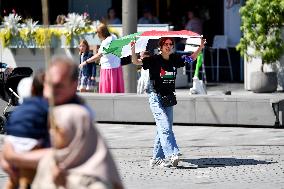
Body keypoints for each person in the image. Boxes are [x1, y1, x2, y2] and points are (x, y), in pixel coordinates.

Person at [0, 55, 91, 188]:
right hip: (40, 163)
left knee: (17, 180)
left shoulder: (21, 113)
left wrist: (11, 155)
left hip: (23, 160)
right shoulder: (55, 111)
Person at [131, 37, 206, 167]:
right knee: (164, 125)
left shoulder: (175, 59)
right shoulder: (154, 59)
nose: (169, 46)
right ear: (161, 46)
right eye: (166, 44)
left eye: (171, 44)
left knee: (164, 128)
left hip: (169, 98)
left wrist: (200, 47)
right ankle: (172, 154)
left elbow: (191, 59)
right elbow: (135, 61)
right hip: (156, 97)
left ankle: (156, 159)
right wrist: (133, 50)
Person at [31, 104, 123, 189]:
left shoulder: (97, 176)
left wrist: (65, 185)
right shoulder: (48, 161)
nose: (52, 133)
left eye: (57, 128)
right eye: (50, 128)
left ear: (76, 131)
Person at [3, 70, 47, 189]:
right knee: (25, 178)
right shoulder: (43, 109)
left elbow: (10, 133)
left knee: (13, 180)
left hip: (14, 149)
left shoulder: (17, 113)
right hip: (32, 150)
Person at [79, 23, 124, 93]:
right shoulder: (114, 37)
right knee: (115, 92)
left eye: (97, 32)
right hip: (116, 68)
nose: (97, 34)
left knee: (107, 93)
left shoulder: (106, 42)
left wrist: (86, 62)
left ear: (101, 33)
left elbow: (98, 55)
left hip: (108, 70)